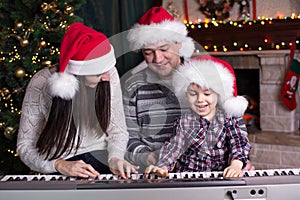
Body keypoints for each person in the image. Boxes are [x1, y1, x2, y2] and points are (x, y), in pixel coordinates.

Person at [122, 6, 254, 172]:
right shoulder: (132, 85)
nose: (158, 58)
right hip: (158, 171)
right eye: (148, 52)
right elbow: (127, 138)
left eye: (164, 49)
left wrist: (239, 162)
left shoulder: (203, 76)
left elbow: (234, 127)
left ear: (178, 44)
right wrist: (149, 157)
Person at [17, 22, 138, 179]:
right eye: (98, 74)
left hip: (103, 160)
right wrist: (58, 165)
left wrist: (115, 158)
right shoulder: (40, 83)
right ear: (77, 76)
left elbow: (118, 131)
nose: (107, 78)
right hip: (60, 167)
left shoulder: (107, 74)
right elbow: (25, 146)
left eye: (107, 70)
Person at [144, 56, 252, 178]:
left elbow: (239, 143)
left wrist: (236, 165)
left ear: (218, 94)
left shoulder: (228, 118)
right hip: (188, 178)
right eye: (193, 94)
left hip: (219, 177)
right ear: (185, 94)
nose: (200, 99)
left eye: (207, 94)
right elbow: (174, 147)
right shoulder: (184, 121)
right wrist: (162, 166)